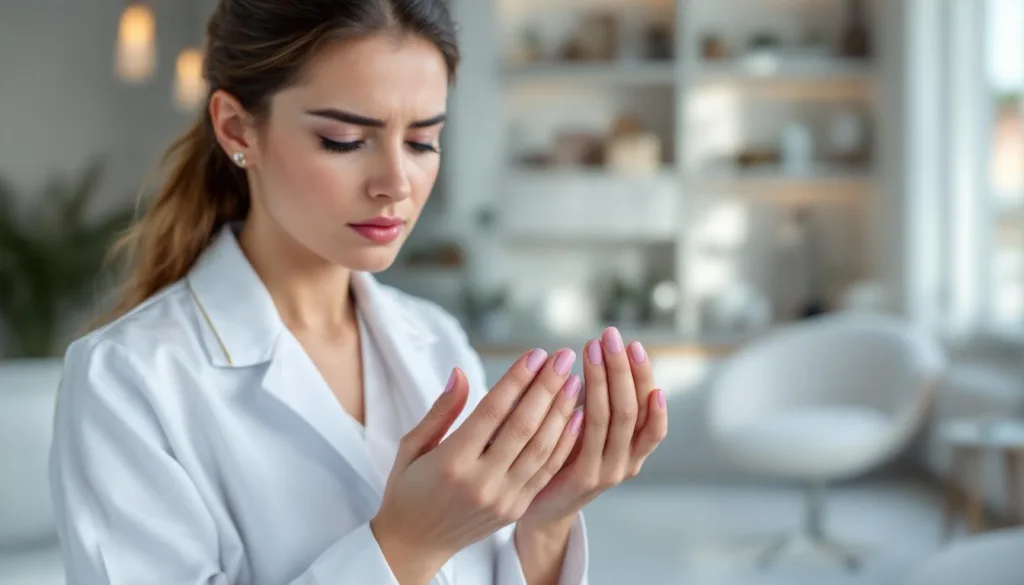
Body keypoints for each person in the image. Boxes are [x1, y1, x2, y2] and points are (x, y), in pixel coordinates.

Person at [47, 1, 669, 584]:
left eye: (423, 141)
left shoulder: (434, 339)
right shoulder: (125, 379)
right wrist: (404, 547)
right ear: (238, 129)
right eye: (344, 140)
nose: (396, 183)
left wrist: (547, 521)